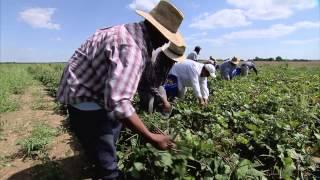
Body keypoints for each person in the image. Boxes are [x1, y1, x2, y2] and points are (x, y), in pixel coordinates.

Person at [56, 1, 185, 179]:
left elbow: (136, 85)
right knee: (108, 166)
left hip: (91, 94)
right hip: (86, 103)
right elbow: (119, 102)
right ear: (155, 29)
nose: (164, 42)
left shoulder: (128, 31)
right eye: (165, 37)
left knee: (111, 134)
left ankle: (101, 157)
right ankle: (106, 170)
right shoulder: (132, 48)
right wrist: (151, 137)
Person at [138, 43, 185, 115]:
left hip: (154, 85)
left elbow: (161, 84)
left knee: (160, 101)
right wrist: (165, 101)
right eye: (174, 59)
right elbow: (151, 85)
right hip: (144, 85)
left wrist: (165, 100)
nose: (175, 61)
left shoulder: (169, 62)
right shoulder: (155, 61)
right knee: (149, 108)